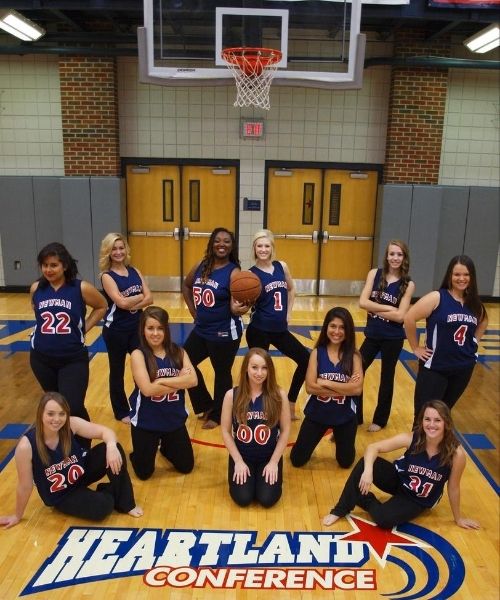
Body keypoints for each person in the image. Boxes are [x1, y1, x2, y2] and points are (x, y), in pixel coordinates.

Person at [322, 400, 480, 531]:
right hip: (399, 480)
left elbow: (453, 487)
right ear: (422, 421)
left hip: (417, 499)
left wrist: (458, 518)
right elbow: (373, 447)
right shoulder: (411, 438)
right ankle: (340, 509)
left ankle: (364, 499)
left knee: (384, 520)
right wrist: (368, 472)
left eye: (437, 420)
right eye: (427, 419)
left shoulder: (456, 454)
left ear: (446, 423)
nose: (431, 425)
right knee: (366, 463)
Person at [0, 392, 142, 529]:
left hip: (80, 475)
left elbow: (106, 432)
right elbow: (25, 486)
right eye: (50, 414)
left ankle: (127, 503)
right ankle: (109, 490)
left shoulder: (71, 424)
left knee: (113, 449)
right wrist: (17, 516)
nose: (57, 419)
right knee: (102, 507)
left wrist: (111, 446)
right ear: (40, 414)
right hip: (63, 495)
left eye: (61, 414)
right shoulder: (26, 446)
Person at [404, 255, 488, 423]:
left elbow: (484, 321)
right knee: (423, 417)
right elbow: (409, 318)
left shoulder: (474, 303)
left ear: (472, 277)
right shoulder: (437, 297)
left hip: (463, 368)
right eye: (457, 274)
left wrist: (474, 343)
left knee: (442, 417)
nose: (461, 278)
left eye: (466, 274)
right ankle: (417, 442)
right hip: (436, 368)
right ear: (450, 275)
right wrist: (415, 347)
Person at [30, 242, 107, 422]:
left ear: (64, 266)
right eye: (45, 265)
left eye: (53, 265)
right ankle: (64, 439)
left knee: (73, 406)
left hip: (72, 359)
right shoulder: (36, 288)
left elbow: (102, 306)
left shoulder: (81, 288)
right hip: (41, 359)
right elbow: (37, 313)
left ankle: (83, 439)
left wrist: (83, 328)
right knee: (56, 406)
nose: (48, 270)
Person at [182, 227, 249, 430]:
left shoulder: (234, 272)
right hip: (202, 329)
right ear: (211, 244)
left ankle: (219, 415)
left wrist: (240, 308)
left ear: (232, 246)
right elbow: (186, 286)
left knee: (221, 373)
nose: (222, 244)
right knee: (183, 362)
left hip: (224, 332)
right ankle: (206, 405)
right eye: (218, 240)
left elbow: (235, 306)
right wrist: (193, 311)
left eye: (227, 241)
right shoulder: (201, 265)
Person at [246, 229, 310, 420]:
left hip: (280, 330)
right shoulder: (249, 275)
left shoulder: (281, 266)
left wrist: (288, 312)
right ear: (254, 249)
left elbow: (291, 289)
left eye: (267, 246)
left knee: (306, 360)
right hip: (259, 329)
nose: (263, 249)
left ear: (272, 248)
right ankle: (256, 409)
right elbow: (244, 302)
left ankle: (290, 403)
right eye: (259, 246)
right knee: (259, 371)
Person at [128, 306, 197, 480]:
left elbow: (193, 381)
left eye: (160, 328)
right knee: (144, 474)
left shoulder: (179, 352)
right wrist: (179, 381)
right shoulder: (138, 355)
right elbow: (147, 390)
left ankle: (165, 447)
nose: (155, 333)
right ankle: (137, 453)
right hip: (146, 422)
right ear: (143, 330)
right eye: (150, 328)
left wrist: (160, 382)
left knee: (186, 466)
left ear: (166, 329)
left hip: (173, 421)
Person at [290, 307, 363, 469]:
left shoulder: (354, 356)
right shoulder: (317, 353)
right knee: (297, 460)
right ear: (326, 327)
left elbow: (357, 390)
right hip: (318, 414)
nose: (337, 331)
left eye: (342, 327)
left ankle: (339, 434)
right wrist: (346, 387)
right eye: (333, 326)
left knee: (345, 462)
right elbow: (310, 387)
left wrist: (325, 382)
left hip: (344, 416)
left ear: (348, 330)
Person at [221, 347, 291, 507]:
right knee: (243, 498)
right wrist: (238, 461)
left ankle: (266, 474)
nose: (259, 373)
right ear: (246, 368)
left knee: (267, 499)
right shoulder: (231, 395)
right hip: (242, 456)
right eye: (254, 367)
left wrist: (274, 462)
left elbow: (286, 430)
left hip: (268, 456)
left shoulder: (279, 395)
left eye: (264, 368)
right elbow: (225, 431)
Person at [358, 240, 415, 431]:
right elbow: (362, 302)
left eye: (399, 254)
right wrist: (388, 308)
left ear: (404, 258)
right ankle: (355, 416)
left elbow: (400, 317)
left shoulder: (408, 284)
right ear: (386, 256)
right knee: (357, 370)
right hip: (372, 335)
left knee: (386, 377)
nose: (395, 258)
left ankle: (380, 420)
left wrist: (375, 308)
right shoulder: (374, 274)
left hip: (393, 337)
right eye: (392, 254)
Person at [99, 233, 153, 422]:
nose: (118, 252)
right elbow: (121, 303)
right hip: (115, 330)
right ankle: (121, 411)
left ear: (126, 250)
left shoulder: (134, 271)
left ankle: (140, 402)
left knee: (144, 365)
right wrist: (139, 297)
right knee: (117, 371)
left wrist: (133, 301)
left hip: (136, 328)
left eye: (121, 248)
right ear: (108, 252)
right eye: (114, 249)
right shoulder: (107, 276)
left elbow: (150, 298)